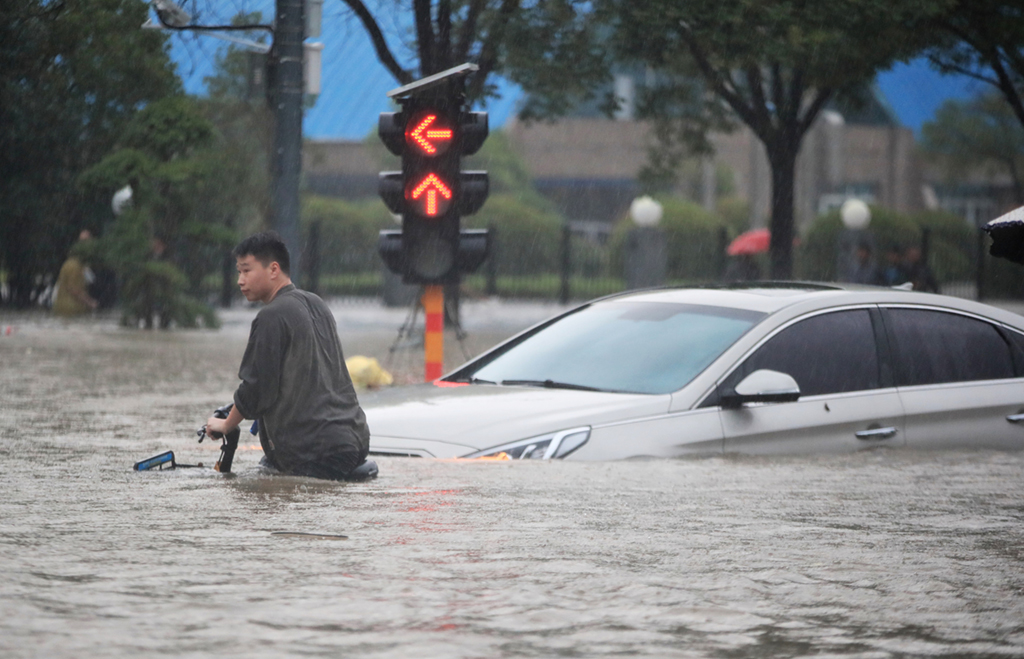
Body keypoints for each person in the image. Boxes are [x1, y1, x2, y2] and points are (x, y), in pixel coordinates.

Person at [204, 231, 371, 480]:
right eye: (238, 272)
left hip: (313, 452)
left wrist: (226, 424)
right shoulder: (317, 304)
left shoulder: (271, 316)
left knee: (253, 506)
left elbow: (257, 389)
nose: (240, 280)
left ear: (273, 270)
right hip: (354, 441)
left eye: (246, 270)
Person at [53, 230, 98, 317]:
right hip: (70, 311)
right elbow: (74, 289)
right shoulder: (73, 265)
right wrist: (91, 302)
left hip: (74, 311)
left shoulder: (83, 265)